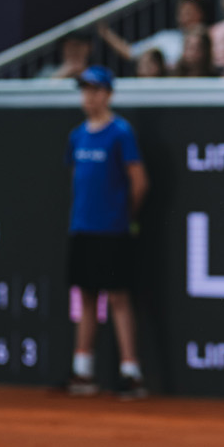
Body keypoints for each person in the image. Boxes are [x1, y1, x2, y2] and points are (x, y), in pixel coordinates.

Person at [65, 67, 148, 399]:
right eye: (85, 89)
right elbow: (76, 181)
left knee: (118, 298)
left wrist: (125, 217)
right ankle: (83, 371)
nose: (89, 96)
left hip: (113, 230)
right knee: (86, 297)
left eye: (95, 90)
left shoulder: (120, 133)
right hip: (82, 228)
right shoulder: (77, 136)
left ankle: (131, 373)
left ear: (108, 94)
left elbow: (139, 183)